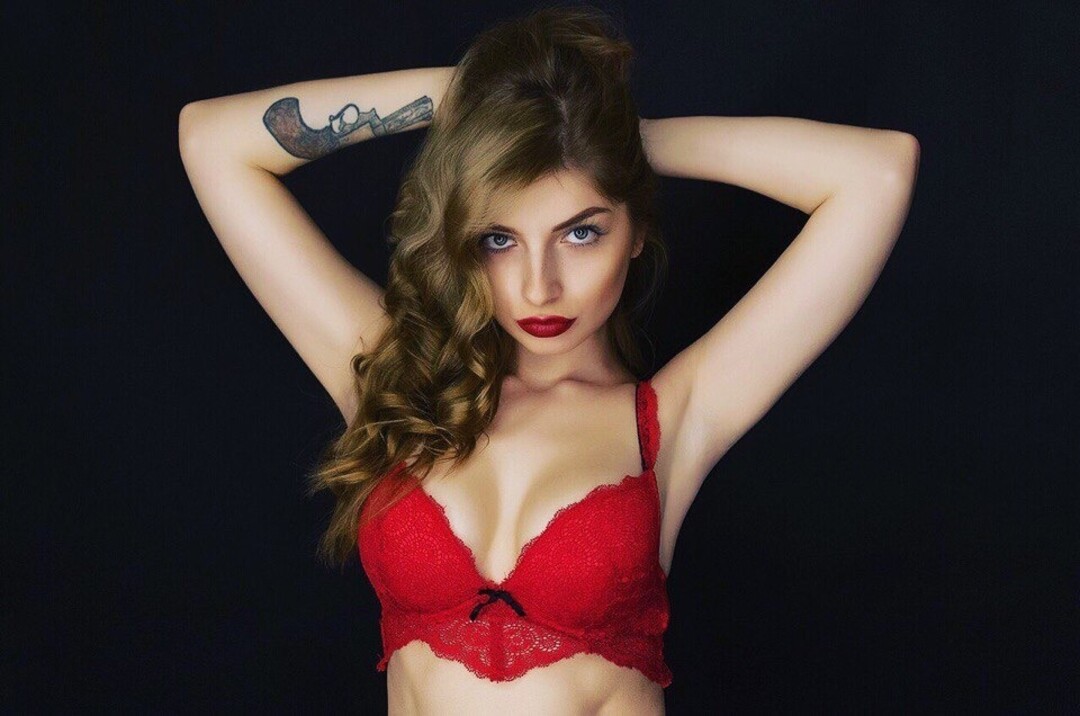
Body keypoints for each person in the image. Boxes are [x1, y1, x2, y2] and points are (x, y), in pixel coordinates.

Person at [178, 5, 919, 714]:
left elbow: (878, 172)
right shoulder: (394, 375)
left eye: (581, 233)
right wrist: (479, 101)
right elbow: (212, 142)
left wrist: (616, 138)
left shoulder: (673, 418)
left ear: (634, 230)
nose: (540, 286)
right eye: (500, 239)